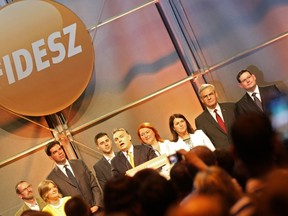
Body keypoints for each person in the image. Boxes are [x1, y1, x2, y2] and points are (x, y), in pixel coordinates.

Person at [45, 141, 103, 215]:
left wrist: (97, 204)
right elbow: (60, 200)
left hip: (97, 210)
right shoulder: (52, 178)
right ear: (50, 157)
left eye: (60, 149)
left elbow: (93, 184)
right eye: (55, 152)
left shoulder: (79, 163)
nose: (60, 152)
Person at [195, 83, 236, 149]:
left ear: (216, 94)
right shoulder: (200, 120)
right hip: (223, 156)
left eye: (211, 94)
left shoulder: (232, 107)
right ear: (201, 100)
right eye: (205, 96)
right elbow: (206, 143)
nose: (209, 98)